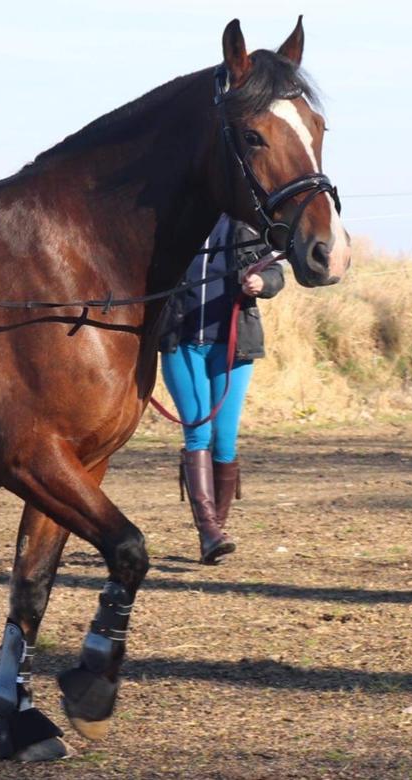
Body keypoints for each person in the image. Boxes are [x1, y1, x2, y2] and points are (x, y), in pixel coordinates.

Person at [158, 215, 285, 564]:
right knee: (198, 432)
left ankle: (215, 533)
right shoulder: (176, 221)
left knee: (225, 438)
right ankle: (209, 532)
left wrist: (262, 281)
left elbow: (276, 273)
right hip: (181, 344)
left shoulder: (243, 226)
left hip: (233, 347)